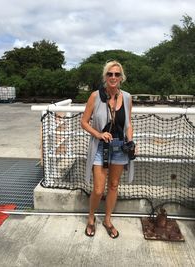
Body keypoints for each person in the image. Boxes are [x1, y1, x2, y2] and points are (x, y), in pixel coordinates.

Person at [81, 60, 134, 239]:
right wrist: (99, 134)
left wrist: (131, 142)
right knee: (98, 189)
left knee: (113, 185)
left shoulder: (126, 97)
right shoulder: (95, 96)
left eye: (117, 74)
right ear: (105, 76)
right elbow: (83, 122)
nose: (113, 77)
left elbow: (128, 124)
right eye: (110, 74)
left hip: (120, 147)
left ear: (121, 77)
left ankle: (108, 220)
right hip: (100, 147)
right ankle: (91, 218)